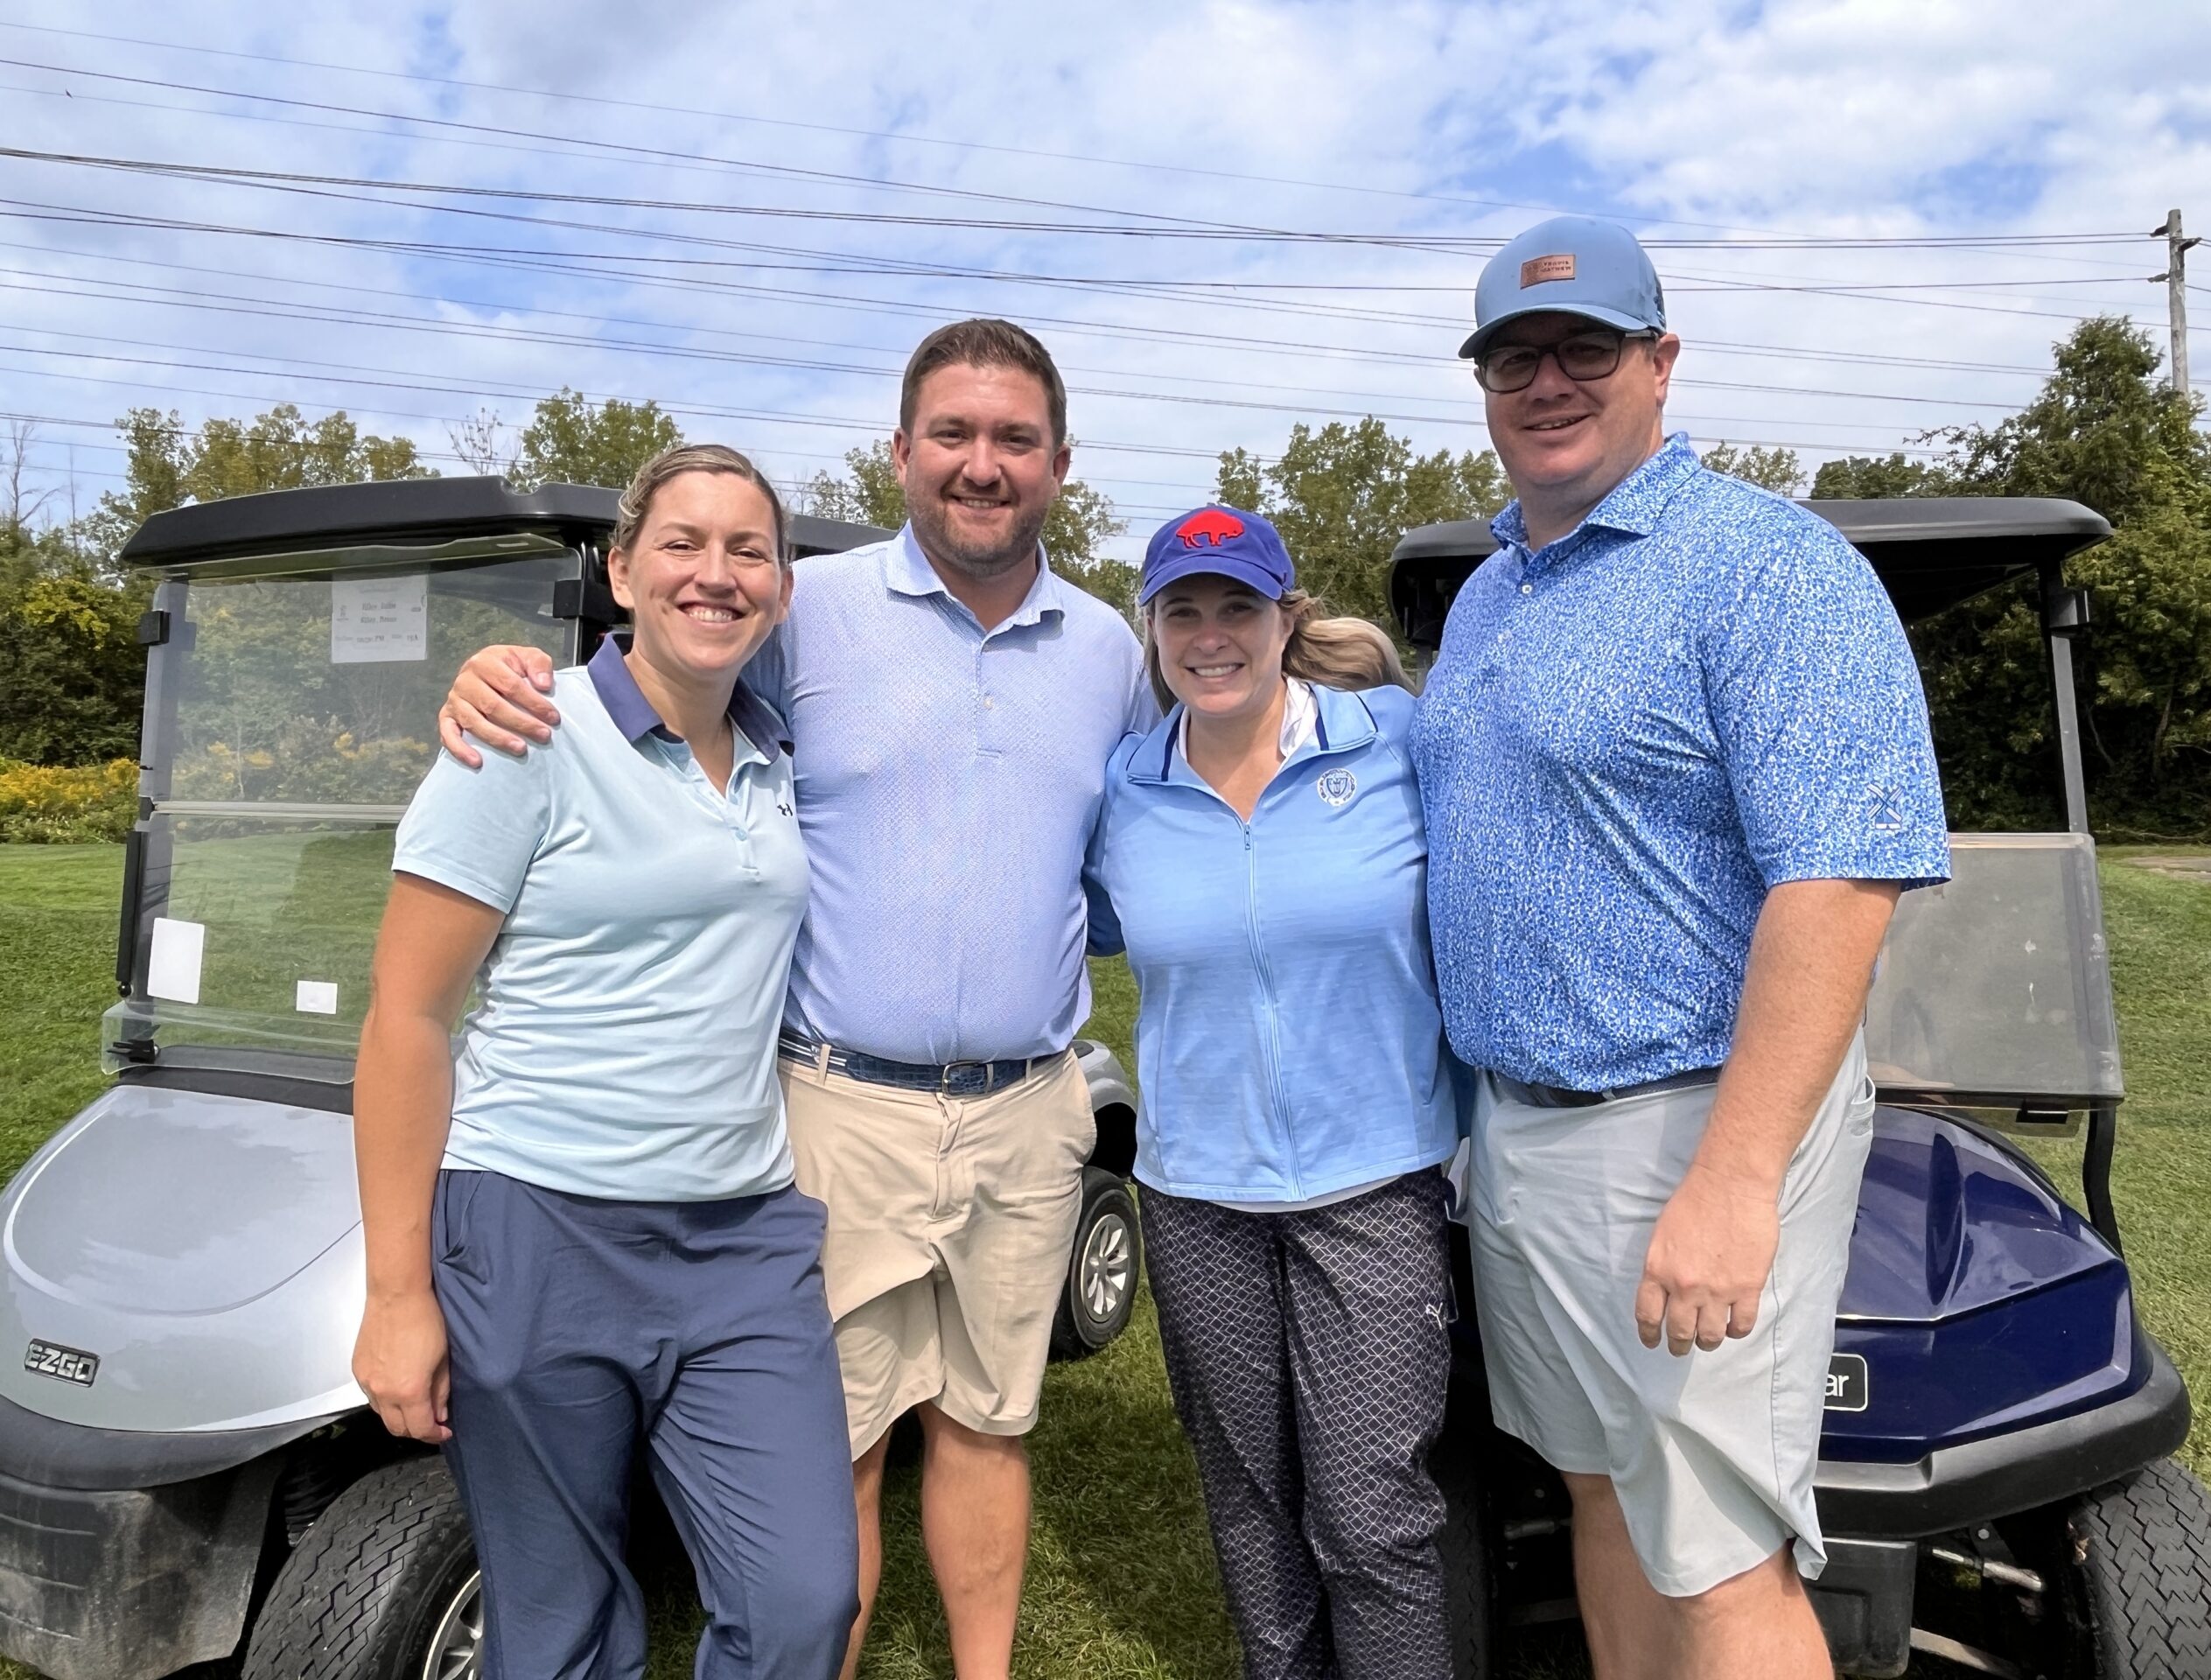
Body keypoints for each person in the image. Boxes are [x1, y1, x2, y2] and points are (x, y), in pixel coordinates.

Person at [434, 319, 1158, 1680]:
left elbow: (1115, 859)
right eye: (952, 434)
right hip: (837, 1101)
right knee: (840, 1448)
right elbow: (656, 681)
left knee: (993, 1424)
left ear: (1061, 464)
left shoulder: (1111, 650)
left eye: (1014, 440)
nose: (981, 465)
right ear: (900, 452)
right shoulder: (803, 609)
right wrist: (490, 672)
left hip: (1031, 1103)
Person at [1408, 216, 1949, 1680]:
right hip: (1522, 1138)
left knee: (1719, 1557)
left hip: (1691, 1131)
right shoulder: (1490, 594)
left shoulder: (1769, 568)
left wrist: (1732, 1181)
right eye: (1513, 355)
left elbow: (1841, 880)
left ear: (1660, 360)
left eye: (1585, 346)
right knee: (1601, 1497)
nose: (1547, 379)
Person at [353, 444, 858, 1679]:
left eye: (750, 550)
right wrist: (399, 1293)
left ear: (780, 590)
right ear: (622, 570)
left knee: (804, 1600)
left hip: (741, 1241)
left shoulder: (775, 753)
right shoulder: (523, 733)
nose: (717, 574)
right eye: (682, 543)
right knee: (560, 1621)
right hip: (538, 1230)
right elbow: (407, 1019)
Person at [1088, 507, 1460, 1680]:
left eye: (1237, 606)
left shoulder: (1394, 741)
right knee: (1250, 1506)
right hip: (1198, 1198)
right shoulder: (1122, 791)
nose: (1210, 635)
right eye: (1182, 611)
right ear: (1151, 631)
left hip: (1375, 1187)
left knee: (1369, 1516)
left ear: (1285, 618)